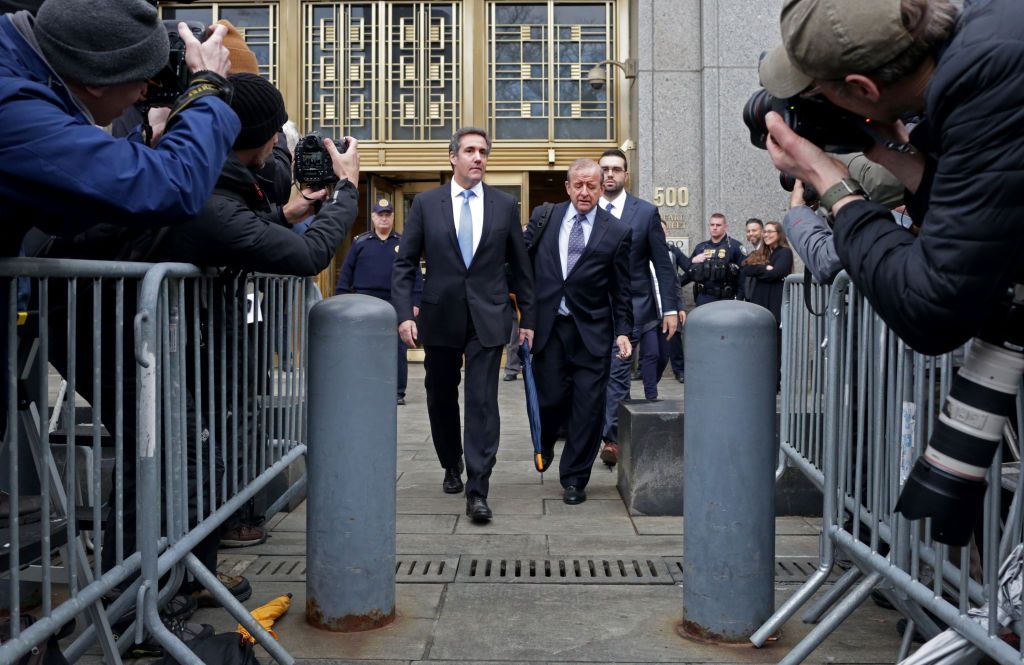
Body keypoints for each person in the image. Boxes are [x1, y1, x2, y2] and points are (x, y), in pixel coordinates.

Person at [758, 0, 1024, 356]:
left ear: (865, 89)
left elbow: (933, 311)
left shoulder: (988, 85)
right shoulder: (989, 38)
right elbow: (988, 224)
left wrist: (831, 184)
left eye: (819, 94)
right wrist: (893, 152)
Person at [391, 127, 535, 523]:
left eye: (484, 152)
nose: (478, 157)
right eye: (470, 150)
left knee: (483, 401)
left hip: (488, 317)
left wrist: (528, 320)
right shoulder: (426, 203)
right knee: (440, 394)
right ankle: (450, 462)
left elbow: (522, 270)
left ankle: (478, 488)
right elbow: (405, 265)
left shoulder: (504, 206)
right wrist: (405, 313)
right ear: (452, 157)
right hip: (440, 316)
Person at [526, 159, 632, 504]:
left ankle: (575, 479)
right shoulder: (545, 217)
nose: (584, 192)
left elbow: (622, 289)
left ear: (602, 189)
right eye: (578, 185)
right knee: (552, 397)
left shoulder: (615, 231)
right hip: (550, 328)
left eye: (592, 186)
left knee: (588, 407)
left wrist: (623, 332)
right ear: (568, 187)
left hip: (592, 332)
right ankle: (545, 440)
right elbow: (522, 265)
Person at [597, 149, 677, 467]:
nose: (610, 174)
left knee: (618, 373)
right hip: (589, 310)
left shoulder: (644, 213)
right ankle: (604, 429)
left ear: (626, 175)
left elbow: (662, 264)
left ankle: (612, 440)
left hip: (631, 310)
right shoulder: (584, 210)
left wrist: (670, 309)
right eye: (605, 169)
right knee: (594, 376)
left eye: (617, 169)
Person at [336, 198, 421, 405]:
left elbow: (415, 275)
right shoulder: (361, 242)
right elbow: (346, 273)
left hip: (396, 301)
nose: (384, 219)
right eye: (380, 215)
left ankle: (398, 392)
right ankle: (364, 387)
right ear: (373, 218)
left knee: (398, 349)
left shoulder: (403, 243)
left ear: (393, 217)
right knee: (364, 346)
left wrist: (415, 302)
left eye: (387, 215)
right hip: (365, 300)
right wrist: (342, 300)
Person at [741, 221, 793, 324]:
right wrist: (764, 268)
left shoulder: (784, 252)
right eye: (764, 232)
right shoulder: (762, 252)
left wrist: (757, 271)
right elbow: (745, 269)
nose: (766, 235)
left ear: (779, 234)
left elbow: (774, 274)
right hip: (759, 305)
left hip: (774, 305)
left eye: (769, 232)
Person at [689, 213, 745, 307]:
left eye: (718, 225)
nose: (714, 228)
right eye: (712, 225)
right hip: (703, 298)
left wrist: (739, 299)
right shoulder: (700, 247)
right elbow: (689, 271)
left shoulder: (735, 247)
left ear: (725, 227)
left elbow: (744, 276)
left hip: (726, 300)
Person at [664, 221, 690, 383]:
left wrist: (679, 282)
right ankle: (640, 370)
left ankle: (679, 370)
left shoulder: (672, 251)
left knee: (675, 336)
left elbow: (690, 268)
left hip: (671, 299)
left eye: (663, 230)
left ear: (667, 232)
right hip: (649, 299)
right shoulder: (643, 249)